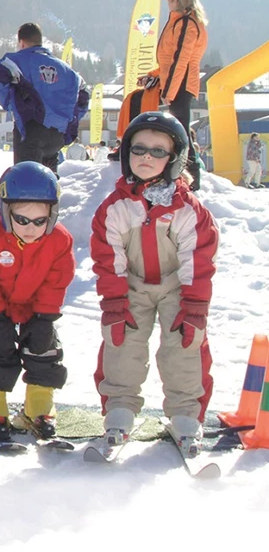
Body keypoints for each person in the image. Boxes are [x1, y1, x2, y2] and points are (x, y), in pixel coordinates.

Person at [91, 111, 218, 450]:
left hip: (178, 286)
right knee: (122, 341)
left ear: (175, 159)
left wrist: (194, 307)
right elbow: (108, 258)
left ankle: (186, 414)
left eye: (158, 151)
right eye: (139, 149)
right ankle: (119, 409)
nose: (146, 157)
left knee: (184, 345)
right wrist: (115, 302)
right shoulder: (115, 208)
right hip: (130, 285)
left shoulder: (187, 209)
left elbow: (199, 259)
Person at [0, 162, 74, 442]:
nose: (30, 228)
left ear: (51, 215)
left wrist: (45, 318)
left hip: (35, 308)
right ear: (6, 212)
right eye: (22, 220)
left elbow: (56, 280)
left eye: (39, 221)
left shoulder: (59, 241)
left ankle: (38, 408)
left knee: (45, 352)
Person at [118, 0, 209, 189]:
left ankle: (191, 177)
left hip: (180, 82)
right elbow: (169, 61)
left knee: (181, 129)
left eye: (171, 0)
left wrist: (169, 91)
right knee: (173, 123)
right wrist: (152, 76)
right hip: (174, 80)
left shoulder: (186, 23)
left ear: (179, 1)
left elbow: (180, 59)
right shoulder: (180, 22)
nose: (168, 4)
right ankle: (182, 173)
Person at [0, 23, 90, 175]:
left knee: (28, 180)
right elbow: (84, 94)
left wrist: (13, 105)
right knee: (49, 180)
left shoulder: (16, 61)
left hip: (30, 129)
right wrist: (70, 120)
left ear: (21, 42)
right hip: (57, 135)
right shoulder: (67, 70)